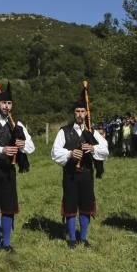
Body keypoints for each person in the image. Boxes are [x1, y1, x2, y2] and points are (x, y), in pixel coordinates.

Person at [0, 82, 35, 251]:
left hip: (9, 170)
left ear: (12, 105)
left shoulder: (17, 125)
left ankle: (7, 243)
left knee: (8, 206)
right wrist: (1, 149)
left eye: (9, 103)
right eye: (3, 103)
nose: (6, 106)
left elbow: (31, 147)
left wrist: (22, 143)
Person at [51, 96, 109, 248]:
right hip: (70, 173)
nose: (80, 114)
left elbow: (105, 150)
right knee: (70, 205)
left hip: (86, 173)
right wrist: (69, 154)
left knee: (86, 205)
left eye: (83, 111)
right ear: (73, 113)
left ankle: (83, 238)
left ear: (86, 113)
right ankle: (71, 239)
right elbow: (55, 152)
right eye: (77, 111)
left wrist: (93, 148)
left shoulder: (92, 132)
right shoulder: (64, 131)